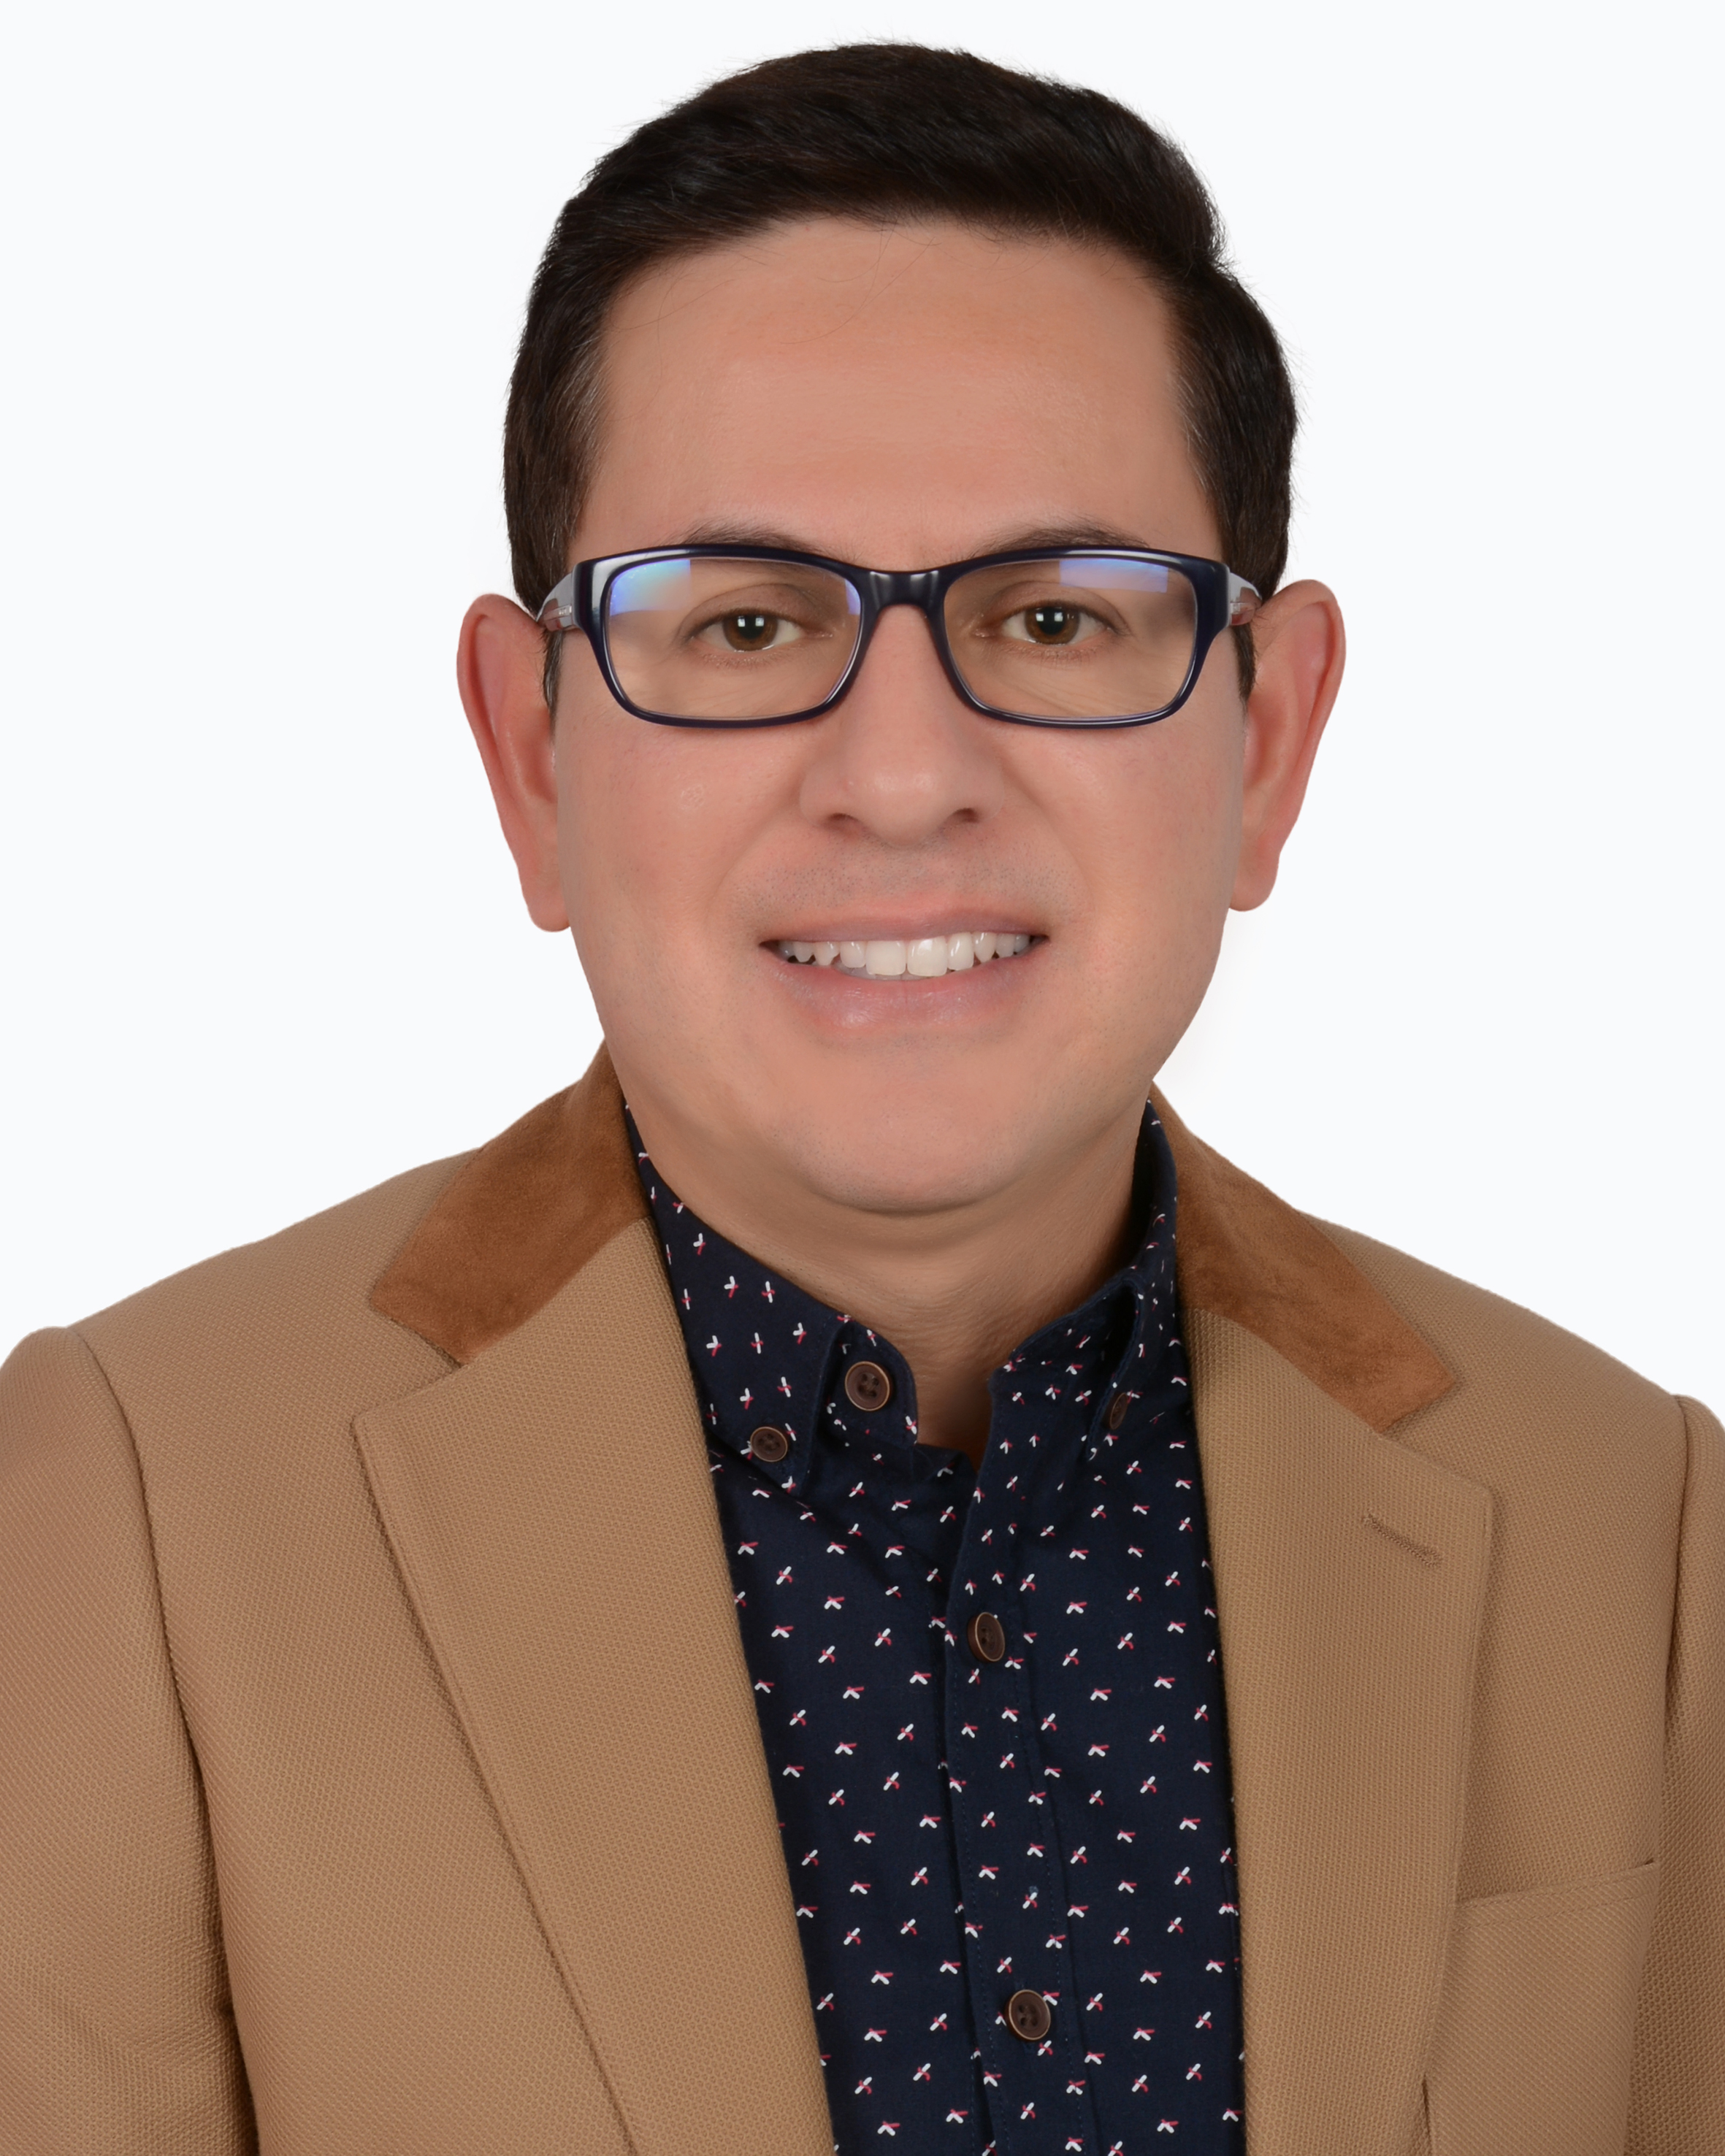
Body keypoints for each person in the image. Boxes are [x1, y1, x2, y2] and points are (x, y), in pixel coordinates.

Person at [1, 42, 1717, 2156]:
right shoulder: (129, 1512)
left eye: (1056, 615)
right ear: (531, 755)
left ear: (1267, 741)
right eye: (742, 623)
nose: (903, 777)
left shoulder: (1633, 1524)